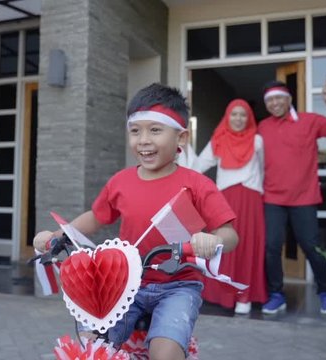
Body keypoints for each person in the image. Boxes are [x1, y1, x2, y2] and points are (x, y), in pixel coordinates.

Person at [34, 83, 238, 360]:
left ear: (182, 137)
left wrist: (212, 240)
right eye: (135, 131)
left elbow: (230, 234)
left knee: (164, 353)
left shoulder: (196, 184)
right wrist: (56, 235)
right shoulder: (121, 182)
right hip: (127, 283)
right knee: (93, 343)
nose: (143, 140)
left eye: (155, 130)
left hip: (178, 285)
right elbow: (96, 217)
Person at [258, 79, 326, 315]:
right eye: (269, 100)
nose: (274, 103)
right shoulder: (262, 127)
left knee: (311, 247)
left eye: (279, 98)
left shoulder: (309, 121)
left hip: (304, 198)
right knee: (272, 246)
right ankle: (276, 294)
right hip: (272, 198)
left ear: (289, 100)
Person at [181, 99, 267, 315]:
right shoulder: (218, 139)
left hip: (251, 200)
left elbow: (264, 170)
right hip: (224, 201)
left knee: (248, 246)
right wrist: (182, 148)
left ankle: (245, 295)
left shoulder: (257, 141)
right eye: (234, 114)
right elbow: (197, 167)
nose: (238, 119)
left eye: (243, 115)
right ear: (227, 117)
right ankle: (223, 295)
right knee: (224, 246)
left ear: (249, 118)